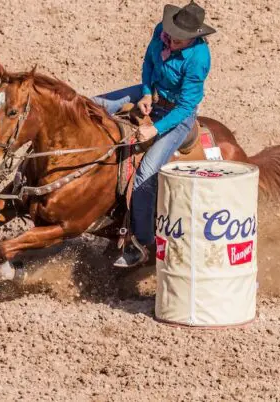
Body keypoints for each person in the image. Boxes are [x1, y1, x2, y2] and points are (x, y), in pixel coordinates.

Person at [92, 1, 216, 268]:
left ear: (193, 38)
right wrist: (147, 91)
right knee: (93, 105)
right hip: (154, 94)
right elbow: (149, 62)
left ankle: (141, 242)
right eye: (170, 34)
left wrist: (155, 129)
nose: (171, 40)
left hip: (177, 116)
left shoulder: (198, 59)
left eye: (179, 39)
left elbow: (185, 106)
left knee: (145, 175)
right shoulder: (162, 31)